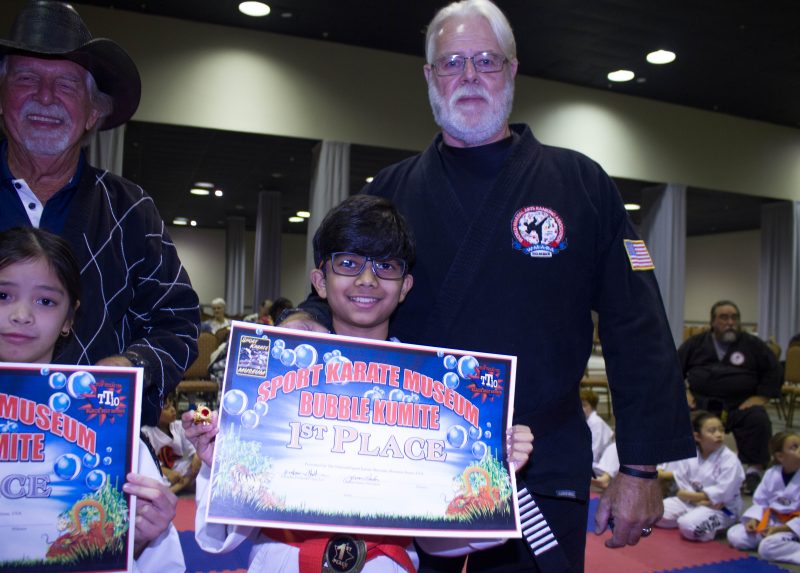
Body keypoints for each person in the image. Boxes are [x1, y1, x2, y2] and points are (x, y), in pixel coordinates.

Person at [283, 1, 695, 569]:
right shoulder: (391, 188)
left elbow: (637, 326)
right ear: (429, 77)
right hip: (410, 461)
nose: (469, 76)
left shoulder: (580, 183)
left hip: (540, 467)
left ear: (512, 70)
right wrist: (305, 317)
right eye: (452, 63)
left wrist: (641, 468)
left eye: (486, 60)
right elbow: (347, 285)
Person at [185, 195, 535, 571]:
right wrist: (219, 465)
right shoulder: (273, 376)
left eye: (386, 266)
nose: (367, 280)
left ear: (405, 286)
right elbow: (221, 539)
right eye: (349, 263)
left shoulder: (438, 394)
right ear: (320, 281)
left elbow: (440, 541)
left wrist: (495, 469)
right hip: (280, 560)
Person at [0, 0, 200, 427]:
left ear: (93, 112)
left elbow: (177, 322)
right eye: (26, 78)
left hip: (92, 443)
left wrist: (132, 365)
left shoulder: (130, 211)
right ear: (1, 97)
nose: (45, 96)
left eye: (67, 85)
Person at [0, 226, 184, 572]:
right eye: (3, 295)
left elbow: (163, 564)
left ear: (69, 318)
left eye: (45, 301)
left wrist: (137, 540)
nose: (21, 314)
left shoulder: (112, 430)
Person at [678, 300, 782, 496]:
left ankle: (754, 471)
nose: (730, 322)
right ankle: (685, 468)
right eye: (724, 318)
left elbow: (773, 371)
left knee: (757, 418)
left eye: (734, 318)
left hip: (739, 405)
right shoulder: (695, 344)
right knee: (679, 415)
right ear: (712, 322)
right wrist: (684, 392)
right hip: (701, 404)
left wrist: (761, 397)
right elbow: (673, 369)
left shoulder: (753, 345)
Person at [726, 432, 800, 567]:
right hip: (772, 521)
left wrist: (780, 529)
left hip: (797, 528)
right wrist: (754, 519)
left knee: (767, 548)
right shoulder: (772, 474)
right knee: (735, 535)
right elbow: (761, 501)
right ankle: (780, 544)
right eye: (794, 447)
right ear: (780, 456)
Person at [655, 411, 744, 542]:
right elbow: (681, 485)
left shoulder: (730, 460)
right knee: (655, 513)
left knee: (688, 527)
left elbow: (724, 493)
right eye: (712, 431)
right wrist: (692, 498)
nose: (719, 434)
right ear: (697, 436)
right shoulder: (690, 454)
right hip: (691, 501)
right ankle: (692, 516)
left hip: (721, 508)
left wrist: (692, 497)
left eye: (721, 430)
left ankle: (721, 524)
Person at [141, 393, 201, 494]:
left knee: (201, 464)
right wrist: (168, 473)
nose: (173, 410)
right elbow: (150, 462)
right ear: (154, 412)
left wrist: (196, 456)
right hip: (161, 471)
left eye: (172, 405)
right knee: (148, 477)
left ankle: (174, 488)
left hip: (179, 468)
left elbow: (193, 447)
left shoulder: (179, 425)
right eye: (166, 408)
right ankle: (182, 485)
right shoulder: (146, 432)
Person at [581, 389, 613, 476]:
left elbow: (594, 451)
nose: (581, 409)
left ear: (592, 406)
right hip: (595, 460)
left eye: (584, 405)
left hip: (604, 462)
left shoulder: (596, 422)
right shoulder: (586, 422)